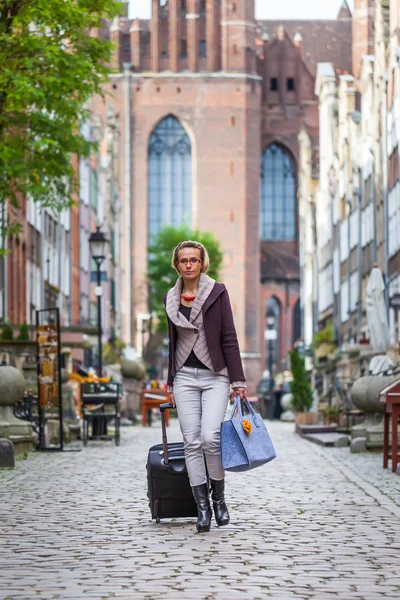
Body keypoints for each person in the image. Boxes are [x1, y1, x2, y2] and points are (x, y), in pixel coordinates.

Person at [162, 240, 247, 533]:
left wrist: (238, 380)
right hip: (184, 376)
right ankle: (203, 509)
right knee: (191, 441)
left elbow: (229, 337)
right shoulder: (169, 299)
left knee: (210, 437)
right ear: (177, 265)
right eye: (183, 260)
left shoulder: (217, 292)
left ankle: (219, 498)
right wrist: (170, 381)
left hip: (216, 375)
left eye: (193, 260)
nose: (188, 265)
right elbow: (172, 345)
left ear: (201, 263)